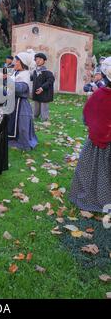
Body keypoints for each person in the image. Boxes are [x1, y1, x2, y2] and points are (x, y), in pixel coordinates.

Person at [69, 57, 111, 213]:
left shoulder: (98, 94)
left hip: (96, 143)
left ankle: (93, 196)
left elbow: (86, 117)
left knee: (92, 172)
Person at [7, 51, 38, 151]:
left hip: (21, 104)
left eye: (16, 61)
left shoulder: (25, 74)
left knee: (22, 125)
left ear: (22, 63)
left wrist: (6, 80)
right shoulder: (17, 72)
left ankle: (22, 143)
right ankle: (11, 139)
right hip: (13, 102)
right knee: (11, 123)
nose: (14, 63)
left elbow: (20, 89)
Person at [31, 53, 55, 121]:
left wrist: (42, 88)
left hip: (44, 93)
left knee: (44, 106)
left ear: (44, 61)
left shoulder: (47, 72)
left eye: (40, 59)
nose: (38, 61)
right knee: (36, 106)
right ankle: (35, 116)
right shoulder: (35, 71)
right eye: (36, 59)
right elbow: (31, 78)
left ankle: (44, 118)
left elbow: (50, 81)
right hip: (36, 92)